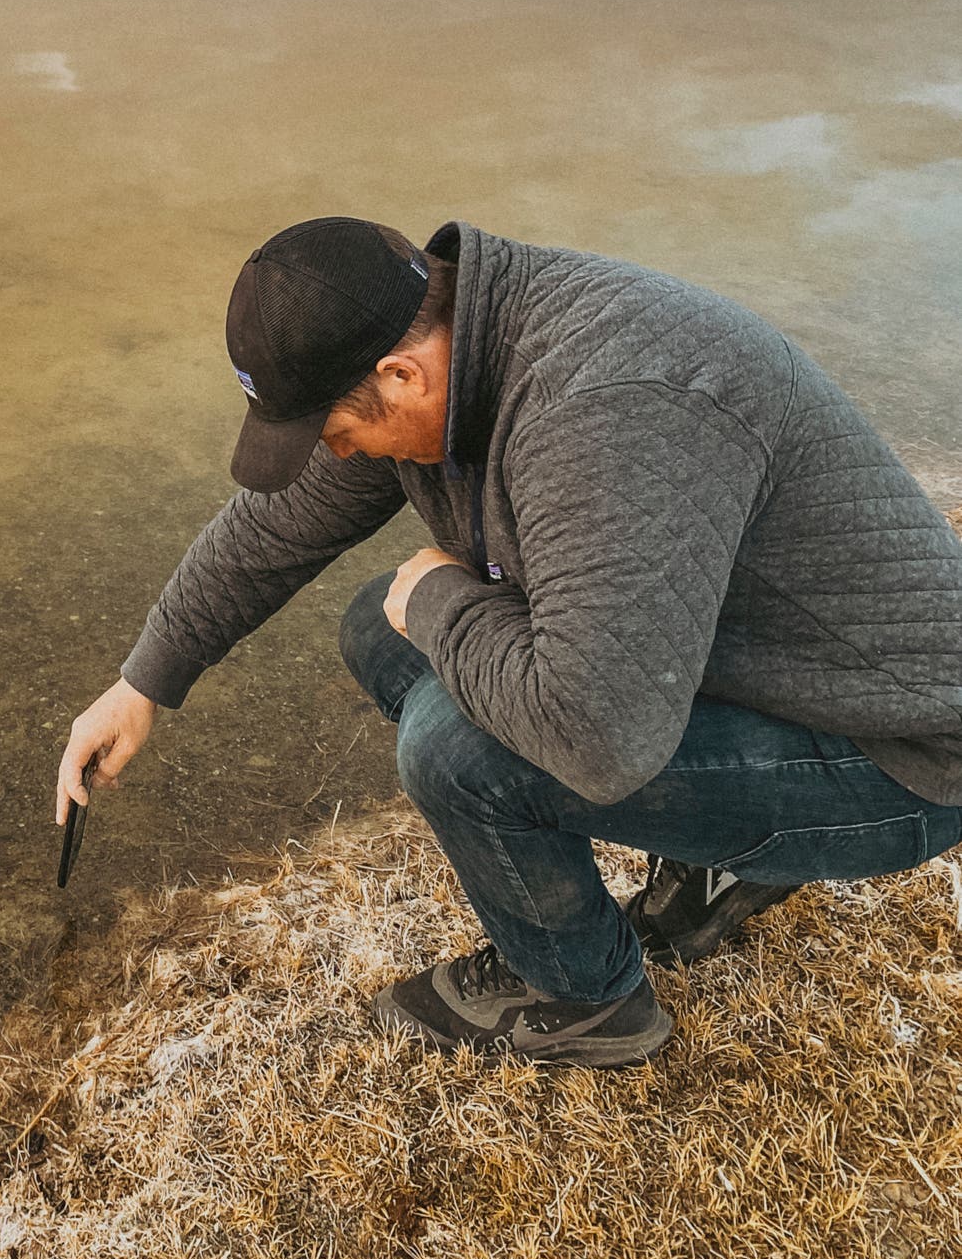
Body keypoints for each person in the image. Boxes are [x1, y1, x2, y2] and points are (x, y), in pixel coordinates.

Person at [56, 217, 962, 1067]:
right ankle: (717, 862)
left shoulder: (605, 413)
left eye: (336, 434)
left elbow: (599, 743)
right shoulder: (463, 334)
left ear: (401, 375)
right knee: (385, 627)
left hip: (901, 756)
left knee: (454, 750)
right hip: (771, 678)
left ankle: (586, 999)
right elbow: (272, 530)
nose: (335, 459)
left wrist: (448, 601)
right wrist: (143, 682)